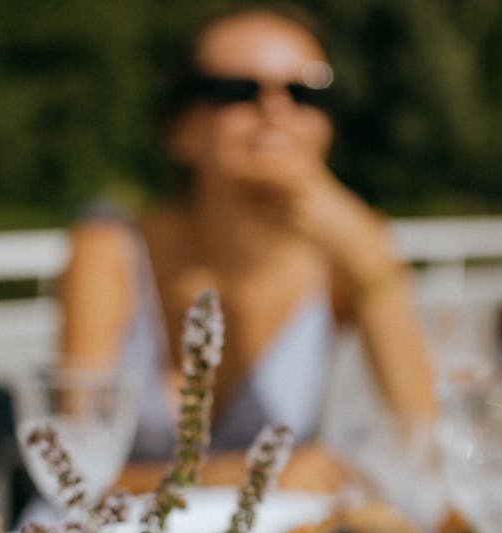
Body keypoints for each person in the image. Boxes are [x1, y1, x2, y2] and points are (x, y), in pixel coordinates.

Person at [60, 3, 436, 494]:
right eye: (237, 91)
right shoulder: (111, 252)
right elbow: (71, 475)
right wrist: (243, 476)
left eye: (307, 93)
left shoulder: (344, 258)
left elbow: (424, 441)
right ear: (180, 128)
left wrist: (368, 254)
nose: (276, 110)